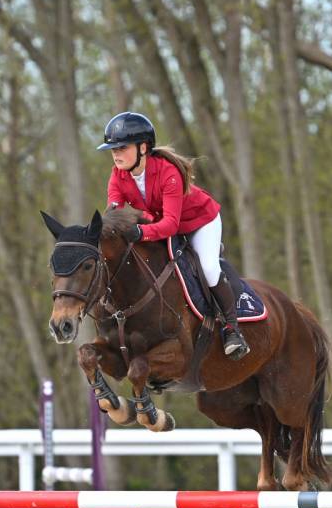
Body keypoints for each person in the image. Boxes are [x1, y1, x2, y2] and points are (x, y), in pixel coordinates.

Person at [97, 111, 249, 359]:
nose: (115, 154)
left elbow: (169, 225)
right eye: (113, 148)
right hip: (160, 225)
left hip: (200, 222)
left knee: (209, 268)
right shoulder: (117, 176)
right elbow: (114, 213)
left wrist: (140, 232)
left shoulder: (168, 173)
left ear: (143, 148)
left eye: (122, 147)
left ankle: (232, 329)